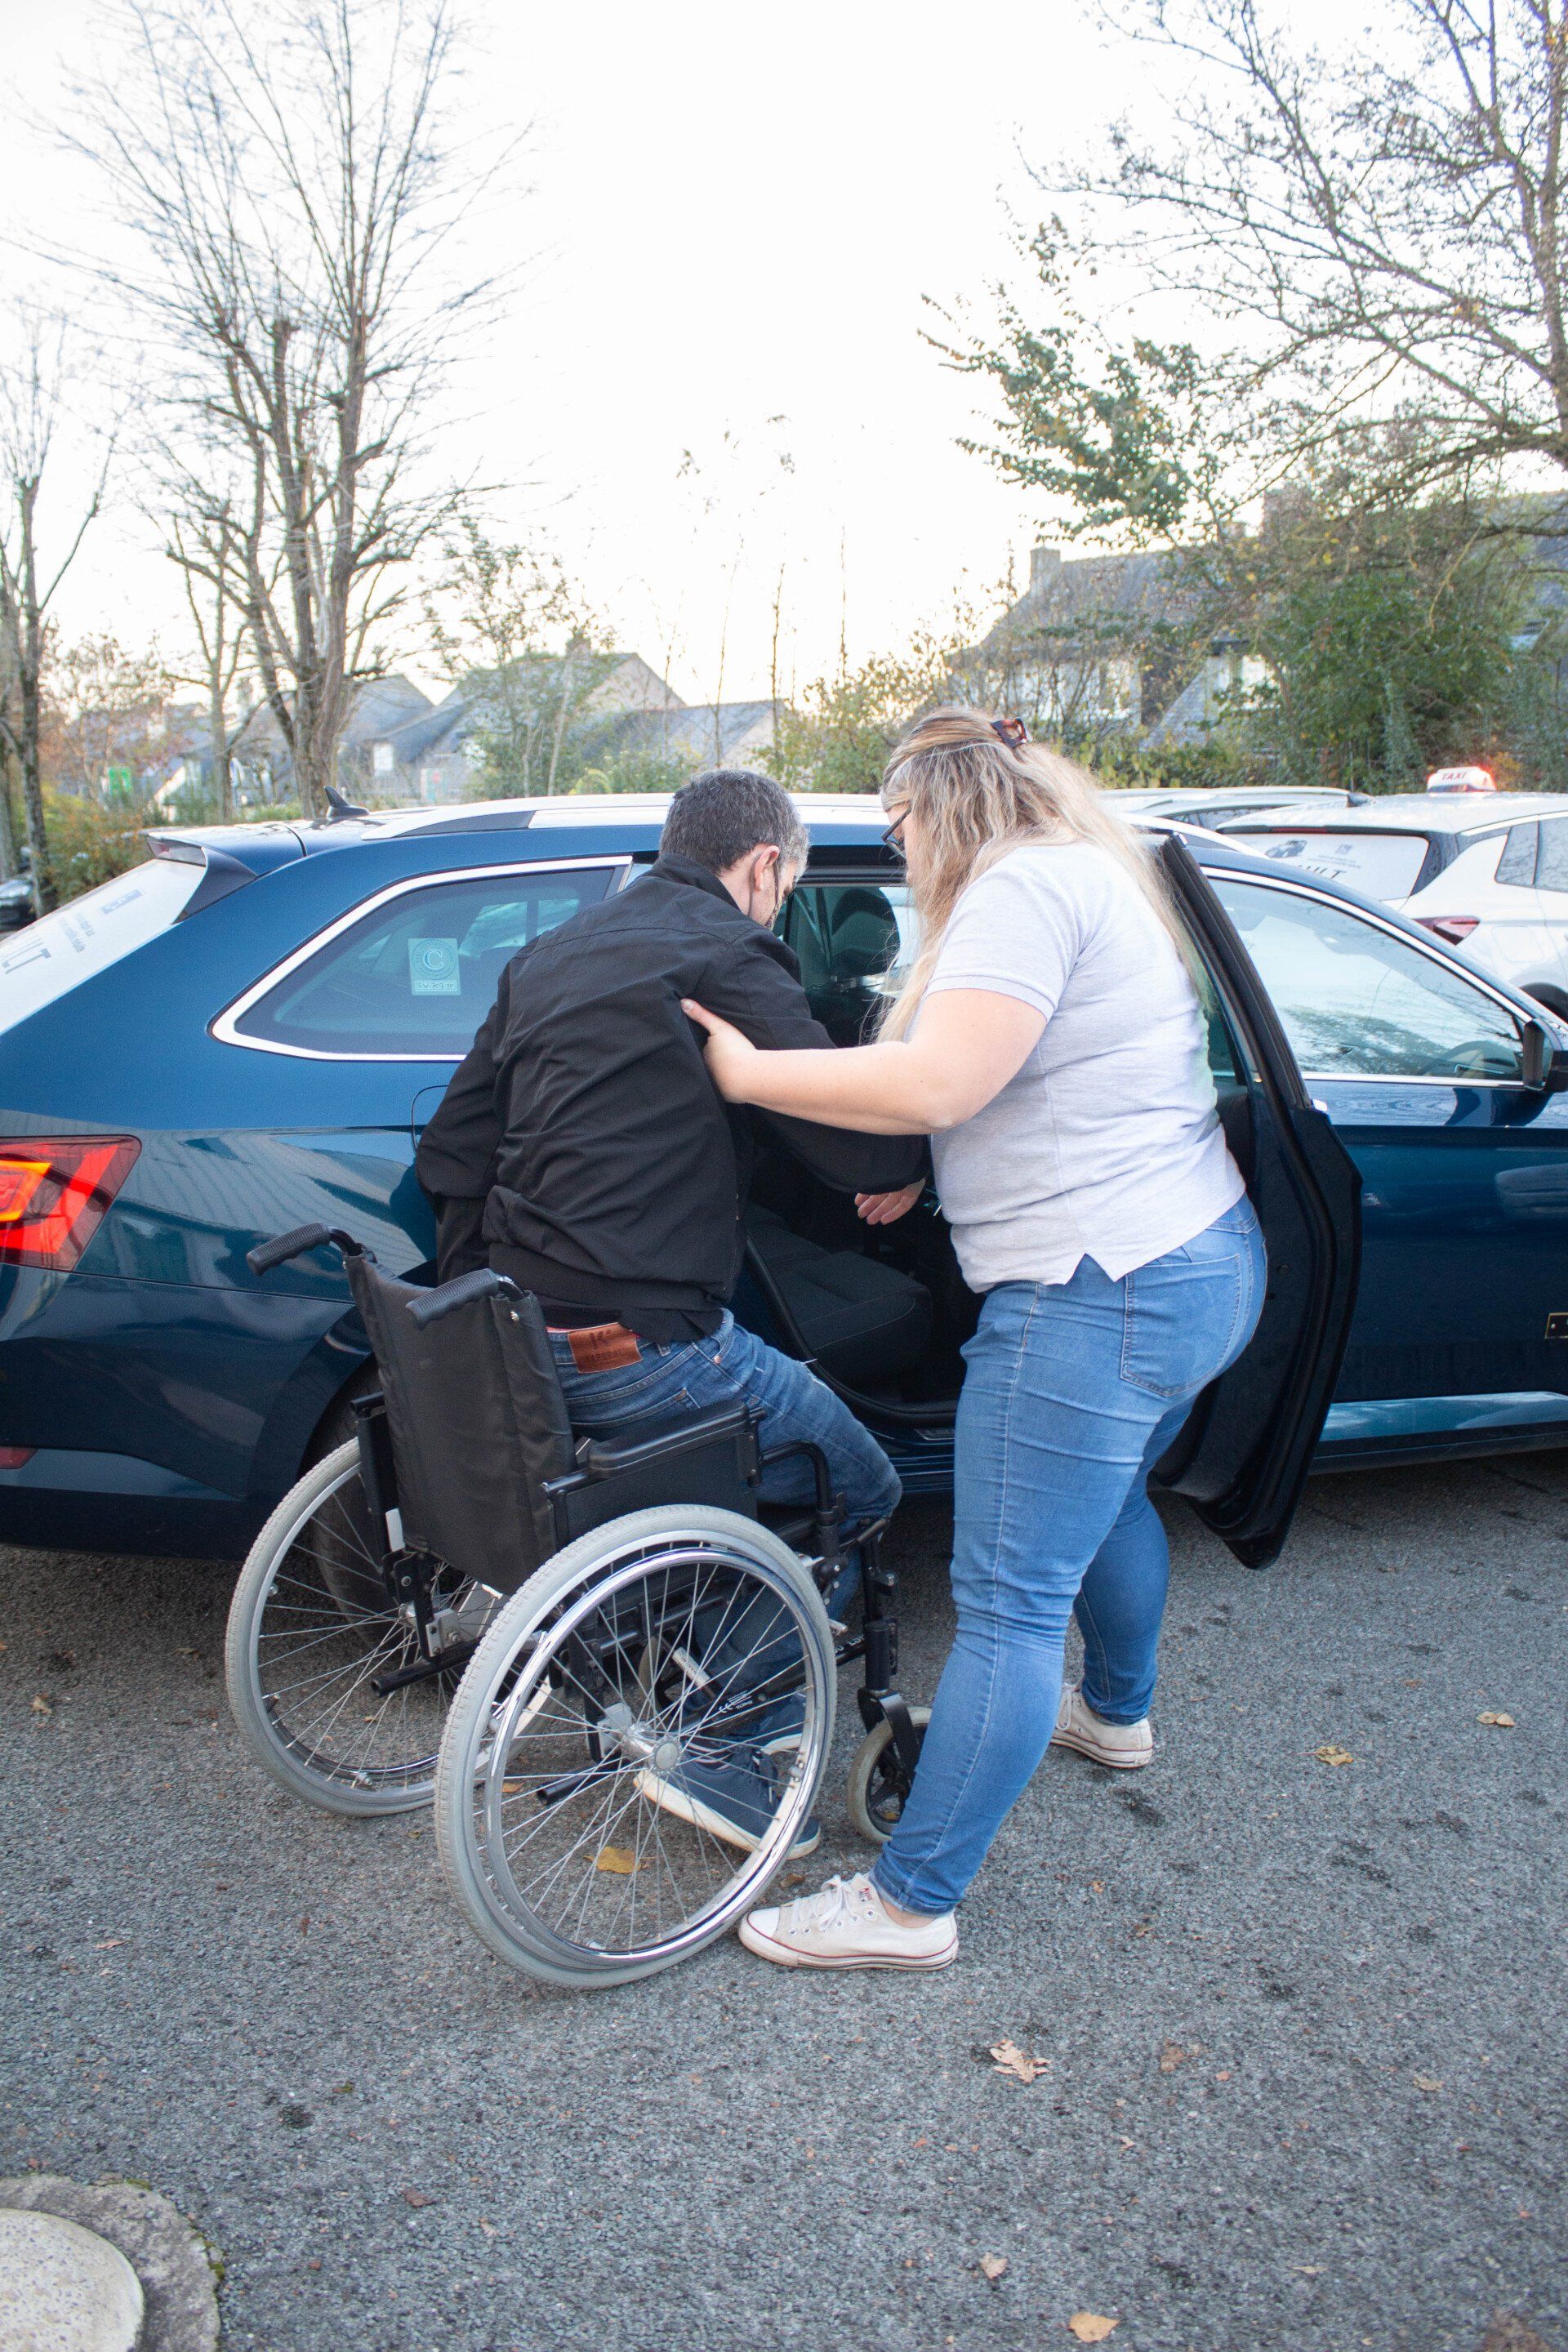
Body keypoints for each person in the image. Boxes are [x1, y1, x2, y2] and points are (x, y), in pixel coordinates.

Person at [679, 710, 1266, 1971]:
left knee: (1007, 1608)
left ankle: (909, 1905)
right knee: (1112, 1497)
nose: (897, 856)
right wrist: (928, 1168)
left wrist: (748, 1075)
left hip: (1091, 1292)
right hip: (1198, 1258)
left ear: (940, 808)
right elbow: (1043, 1073)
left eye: (896, 829)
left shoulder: (1016, 891)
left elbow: (944, 1079)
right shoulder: (1084, 869)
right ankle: (1116, 1717)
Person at [415, 767, 928, 1855]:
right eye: (785, 888)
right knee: (860, 1485)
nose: (778, 906)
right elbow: (845, 1138)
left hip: (512, 1334)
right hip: (646, 1349)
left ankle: (642, 1631)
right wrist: (910, 1161)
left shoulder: (550, 953)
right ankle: (726, 1749)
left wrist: (493, 1306)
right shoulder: (730, 955)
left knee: (724, 1445)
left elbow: (454, 1150)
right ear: (764, 866)